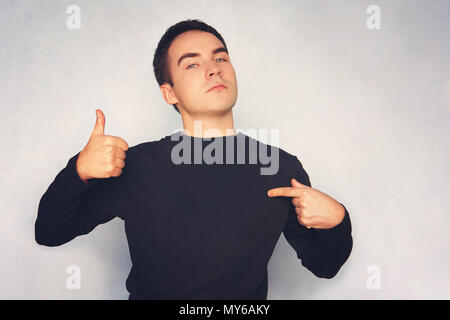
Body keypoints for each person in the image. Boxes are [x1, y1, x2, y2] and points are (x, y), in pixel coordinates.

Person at [35, 19, 353, 300]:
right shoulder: (136, 167)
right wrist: (78, 172)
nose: (213, 68)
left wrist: (338, 219)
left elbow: (323, 265)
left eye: (220, 57)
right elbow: (49, 232)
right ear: (169, 93)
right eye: (191, 64)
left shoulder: (281, 168)